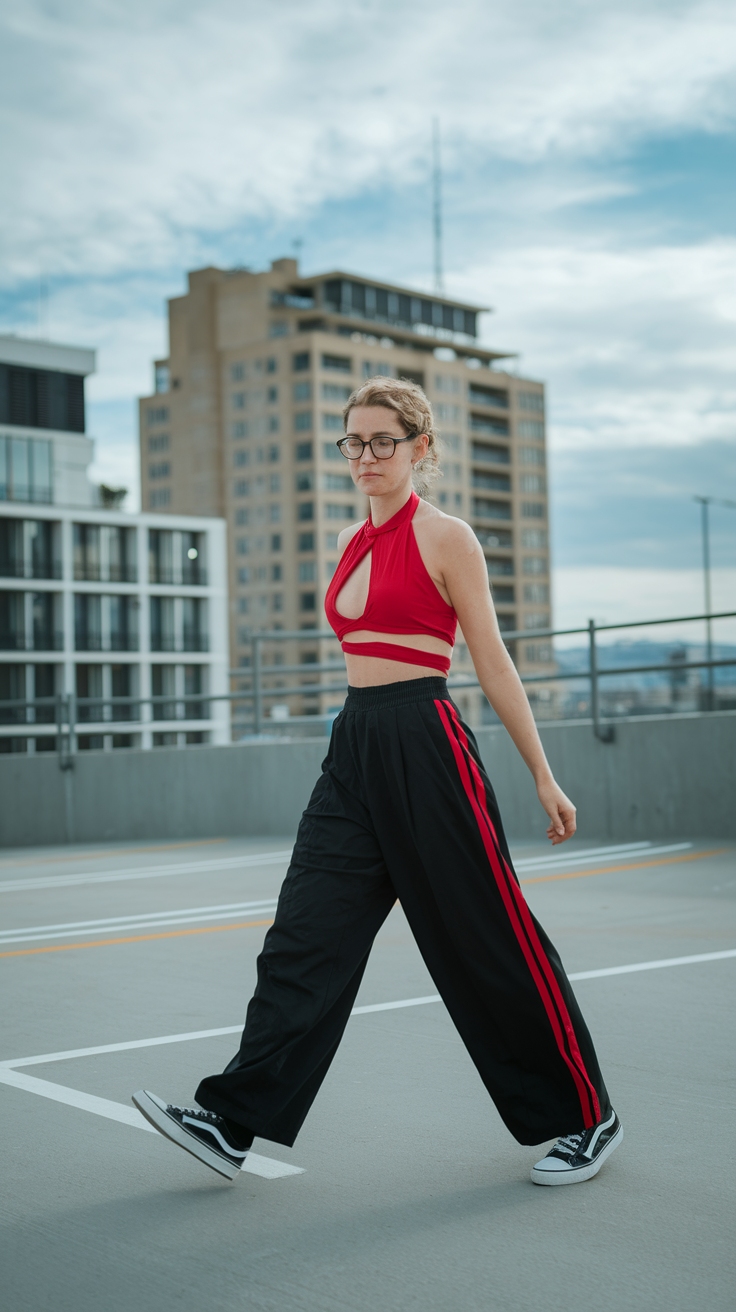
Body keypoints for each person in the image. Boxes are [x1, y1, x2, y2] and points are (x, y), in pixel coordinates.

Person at [134, 376, 622, 1187]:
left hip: (427, 744)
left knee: (488, 940)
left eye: (382, 442)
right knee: (304, 935)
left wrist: (543, 775)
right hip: (356, 742)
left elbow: (493, 663)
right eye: (352, 442)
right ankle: (232, 1122)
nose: (364, 456)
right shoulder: (346, 540)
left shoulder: (447, 538)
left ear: (420, 449)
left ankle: (586, 1115)